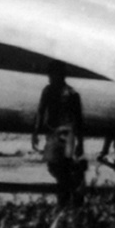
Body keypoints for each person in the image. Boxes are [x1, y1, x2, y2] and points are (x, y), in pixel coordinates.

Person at [32, 61, 86, 204]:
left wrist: (36, 132)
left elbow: (78, 119)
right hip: (60, 135)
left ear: (60, 75)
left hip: (63, 135)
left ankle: (66, 197)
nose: (49, 77)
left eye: (52, 74)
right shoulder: (62, 92)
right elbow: (41, 111)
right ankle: (70, 195)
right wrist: (36, 132)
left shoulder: (60, 92)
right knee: (59, 167)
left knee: (60, 167)